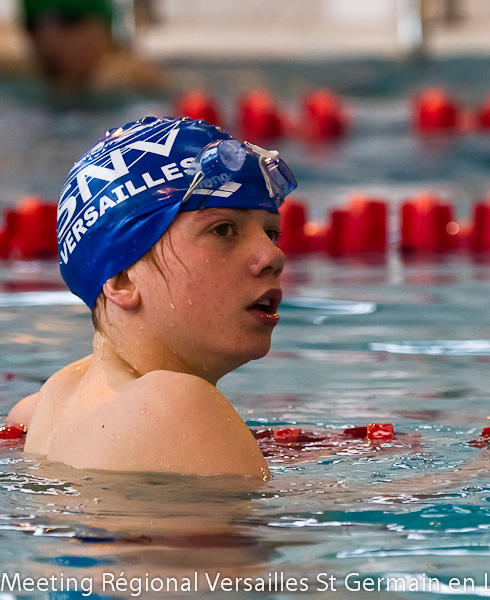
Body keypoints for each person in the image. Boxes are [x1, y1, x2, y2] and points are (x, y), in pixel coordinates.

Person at [7, 115, 296, 478]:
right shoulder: (176, 404)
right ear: (122, 280)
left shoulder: (40, 411)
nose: (273, 256)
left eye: (271, 233)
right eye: (223, 230)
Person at [18, 0, 166, 93]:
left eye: (70, 20)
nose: (47, 40)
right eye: (32, 25)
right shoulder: (29, 75)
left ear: (105, 27)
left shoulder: (133, 82)